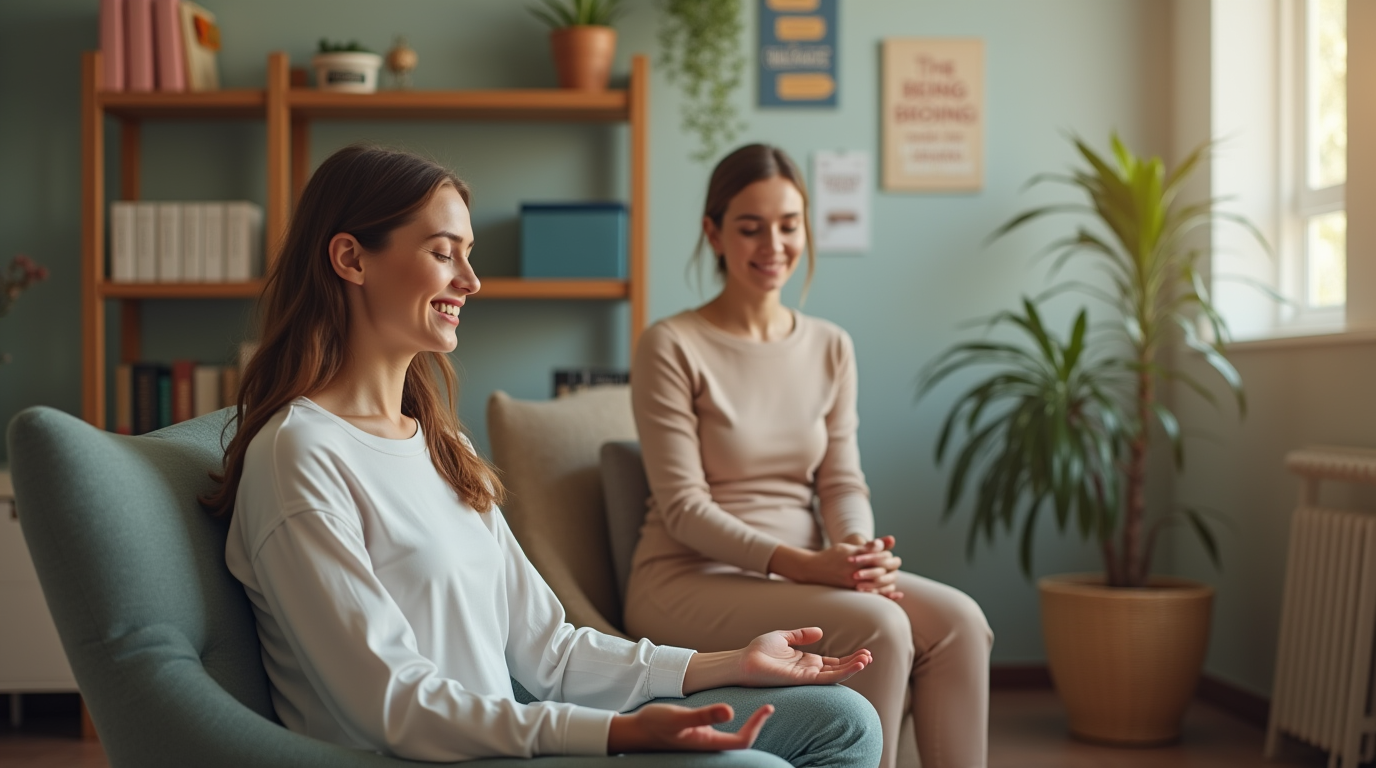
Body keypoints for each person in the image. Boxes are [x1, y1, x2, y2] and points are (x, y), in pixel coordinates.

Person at [201, 144, 883, 767]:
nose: (470, 279)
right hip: (438, 755)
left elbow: (550, 651)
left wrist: (728, 662)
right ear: (351, 259)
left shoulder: (443, 446)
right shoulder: (299, 458)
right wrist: (615, 734)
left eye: (468, 253)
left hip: (513, 737)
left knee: (845, 720)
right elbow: (393, 704)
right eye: (444, 252)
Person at [623, 144, 994, 768]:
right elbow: (684, 509)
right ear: (713, 233)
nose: (773, 244)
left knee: (961, 621)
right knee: (882, 625)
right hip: (689, 576)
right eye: (750, 227)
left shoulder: (830, 346)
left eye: (789, 225)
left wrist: (857, 553)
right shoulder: (671, 344)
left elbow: (842, 479)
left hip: (814, 570)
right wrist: (808, 567)